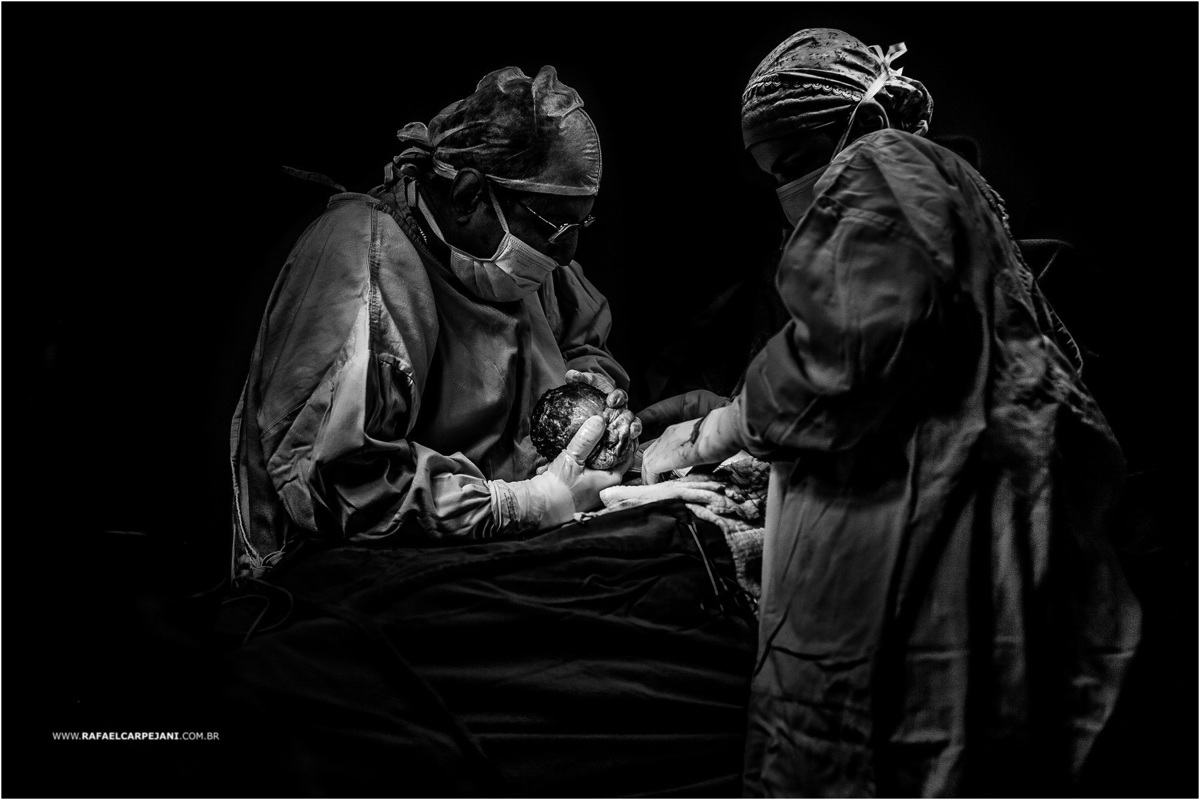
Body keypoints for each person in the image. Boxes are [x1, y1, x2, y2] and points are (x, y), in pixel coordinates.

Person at [641, 29, 1141, 797]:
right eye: (776, 174)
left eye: (794, 162)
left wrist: (717, 430)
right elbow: (901, 360)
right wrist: (748, 416)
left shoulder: (885, 167)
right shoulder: (940, 191)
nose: (788, 188)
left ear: (860, 122)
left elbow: (845, 356)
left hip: (932, 545)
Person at [230, 66, 640, 579]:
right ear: (468, 195)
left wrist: (594, 397)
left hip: (502, 554)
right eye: (557, 226)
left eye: (580, 224)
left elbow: (580, 341)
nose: (568, 251)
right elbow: (342, 483)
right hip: (354, 570)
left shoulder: (527, 260)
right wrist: (524, 503)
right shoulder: (367, 268)